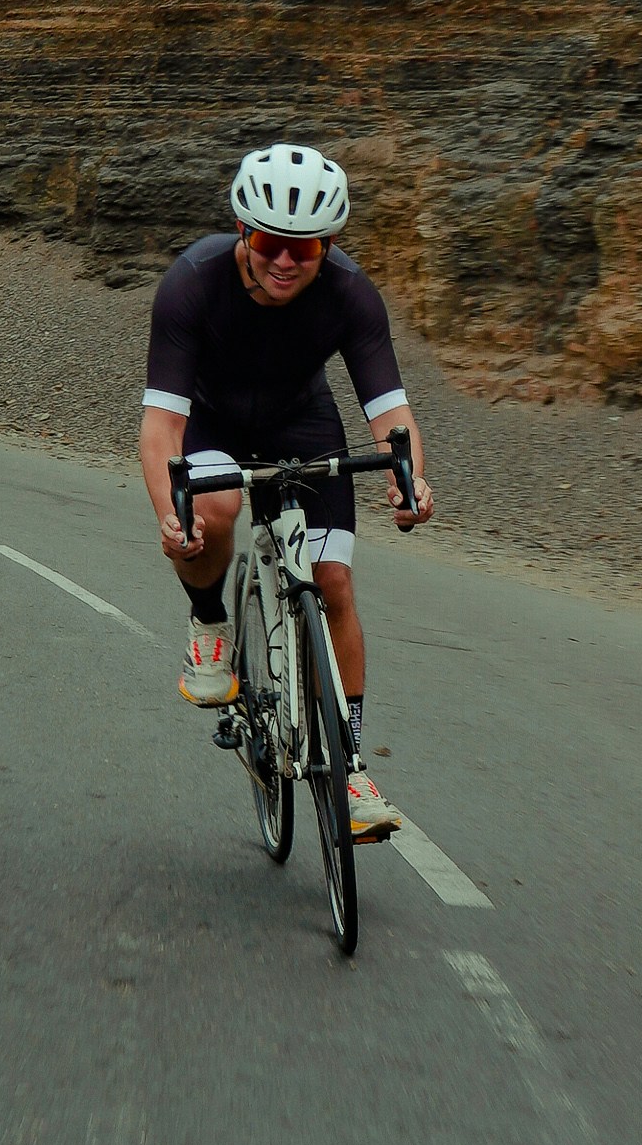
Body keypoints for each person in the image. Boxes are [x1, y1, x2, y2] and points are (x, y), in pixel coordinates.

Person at [138, 143, 435, 842]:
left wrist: (410, 481)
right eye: (272, 242)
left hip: (302, 422)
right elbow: (161, 427)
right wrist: (169, 516)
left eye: (307, 250)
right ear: (244, 232)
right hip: (210, 419)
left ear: (328, 248)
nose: (285, 261)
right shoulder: (191, 282)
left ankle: (352, 765)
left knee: (333, 583)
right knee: (215, 506)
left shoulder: (351, 293)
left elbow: (391, 415)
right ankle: (209, 622)